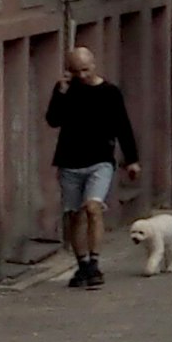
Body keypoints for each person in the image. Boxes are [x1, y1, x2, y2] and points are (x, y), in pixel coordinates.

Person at [49, 45, 141, 289]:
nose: (81, 75)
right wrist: (61, 92)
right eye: (75, 71)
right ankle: (82, 264)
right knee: (74, 215)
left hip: (100, 160)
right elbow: (52, 120)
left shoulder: (109, 92)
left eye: (85, 70)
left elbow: (123, 125)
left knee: (93, 207)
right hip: (69, 161)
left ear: (94, 65)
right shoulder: (66, 90)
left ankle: (95, 264)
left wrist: (131, 160)